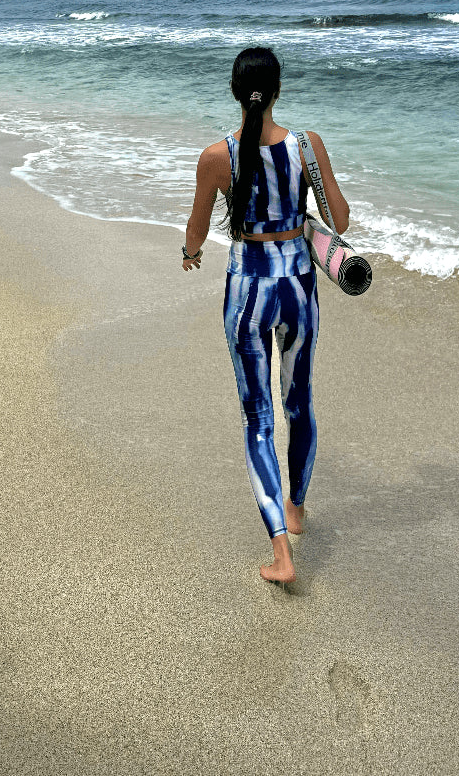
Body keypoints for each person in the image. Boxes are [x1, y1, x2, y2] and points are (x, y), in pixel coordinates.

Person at [182, 46, 351, 584]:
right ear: (278, 90)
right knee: (298, 403)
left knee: (258, 419)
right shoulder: (307, 146)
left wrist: (190, 256)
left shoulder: (218, 156)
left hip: (248, 292)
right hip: (299, 288)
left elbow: (197, 226)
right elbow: (339, 219)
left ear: (236, 92)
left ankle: (281, 551)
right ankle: (297, 508)